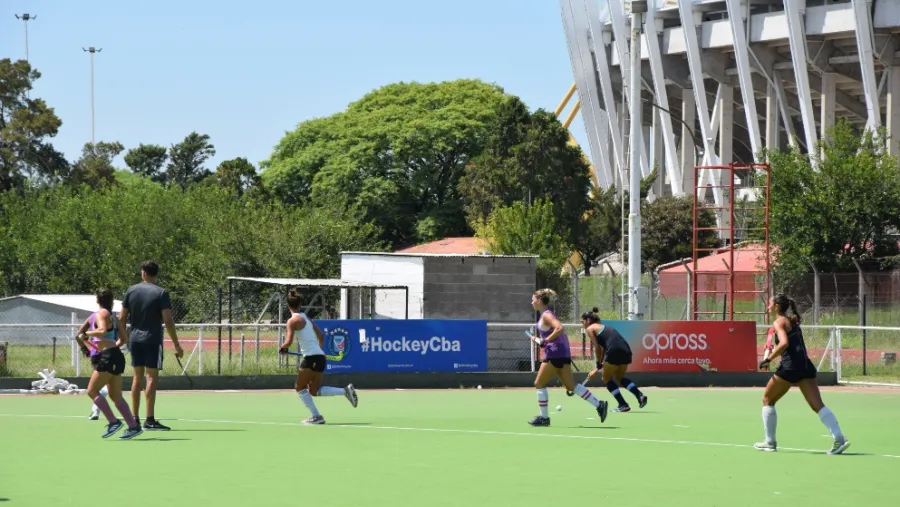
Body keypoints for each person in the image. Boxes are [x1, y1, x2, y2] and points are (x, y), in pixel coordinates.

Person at [755, 293, 850, 455]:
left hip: (790, 367)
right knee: (818, 405)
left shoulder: (779, 322)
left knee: (767, 400)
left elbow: (784, 343)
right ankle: (839, 438)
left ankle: (770, 442)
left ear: (776, 306)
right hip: (805, 366)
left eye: (769, 304)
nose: (768, 307)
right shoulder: (792, 321)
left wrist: (768, 359)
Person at [526, 289, 608, 427]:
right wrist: (543, 340)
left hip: (555, 353)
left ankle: (544, 418)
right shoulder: (547, 315)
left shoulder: (546, 315)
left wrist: (545, 341)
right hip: (562, 352)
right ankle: (599, 404)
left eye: (533, 300)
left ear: (539, 301)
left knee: (539, 383)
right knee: (571, 386)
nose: (532, 302)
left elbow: (559, 328)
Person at [119, 260, 183, 431]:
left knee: (137, 378)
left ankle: (134, 419)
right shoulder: (161, 293)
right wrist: (176, 344)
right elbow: (168, 320)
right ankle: (150, 419)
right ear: (156, 274)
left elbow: (122, 318)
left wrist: (123, 337)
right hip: (153, 340)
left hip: (135, 340)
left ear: (144, 273)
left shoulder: (131, 291)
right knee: (151, 378)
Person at [278, 287, 358, 425]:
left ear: (288, 306)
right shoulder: (307, 318)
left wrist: (282, 347)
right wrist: (319, 352)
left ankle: (316, 416)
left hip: (310, 359)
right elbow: (321, 336)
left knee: (299, 387)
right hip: (320, 357)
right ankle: (345, 391)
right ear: (300, 304)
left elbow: (289, 341)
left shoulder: (292, 321)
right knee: (314, 391)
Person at [74, 289, 143, 440]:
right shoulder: (113, 316)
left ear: (97, 300)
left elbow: (101, 330)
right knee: (115, 396)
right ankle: (133, 426)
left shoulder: (100, 314)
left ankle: (113, 421)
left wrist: (87, 337)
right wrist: (112, 347)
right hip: (116, 356)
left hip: (108, 357)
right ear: (111, 301)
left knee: (92, 391)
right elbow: (124, 339)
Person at [581, 308, 648, 413]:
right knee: (619, 377)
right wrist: (598, 366)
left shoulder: (590, 328)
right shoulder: (604, 327)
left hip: (614, 350)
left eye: (582, 322)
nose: (582, 324)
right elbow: (604, 349)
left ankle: (623, 404)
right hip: (626, 350)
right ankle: (640, 396)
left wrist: (598, 364)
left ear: (588, 320)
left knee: (606, 379)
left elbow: (597, 348)